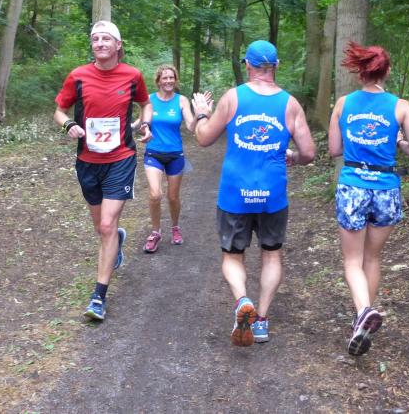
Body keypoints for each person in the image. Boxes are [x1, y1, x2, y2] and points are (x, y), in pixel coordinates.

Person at [192, 40, 316, 346]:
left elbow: (204, 139)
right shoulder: (290, 104)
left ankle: (242, 301)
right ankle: (260, 320)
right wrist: (293, 156)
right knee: (271, 254)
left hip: (235, 193)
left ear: (247, 65)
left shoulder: (233, 98)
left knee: (233, 256)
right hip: (272, 193)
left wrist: (202, 114)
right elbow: (309, 153)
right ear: (276, 66)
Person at [327, 41, 409, 356]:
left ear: (360, 72)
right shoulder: (401, 107)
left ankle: (363, 312)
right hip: (386, 188)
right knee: (371, 258)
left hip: (353, 185)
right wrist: (399, 142)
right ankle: (363, 318)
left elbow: (334, 150)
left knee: (352, 260)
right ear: (387, 71)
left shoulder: (343, 104)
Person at [53, 20, 153, 321]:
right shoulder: (78, 76)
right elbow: (59, 111)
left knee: (108, 225)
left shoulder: (132, 75)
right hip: (87, 161)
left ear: (118, 45)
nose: (100, 43)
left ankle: (98, 297)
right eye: (95, 39)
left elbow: (145, 104)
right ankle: (116, 241)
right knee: (101, 228)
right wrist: (69, 125)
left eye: (106, 39)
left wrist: (146, 124)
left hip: (120, 158)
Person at [133, 65, 210, 253]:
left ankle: (175, 227)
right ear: (158, 81)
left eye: (171, 78)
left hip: (175, 154)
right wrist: (128, 127)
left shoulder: (181, 100)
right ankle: (155, 232)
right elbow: (140, 124)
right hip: (153, 153)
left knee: (173, 197)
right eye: (164, 78)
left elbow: (191, 127)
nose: (168, 81)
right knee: (155, 194)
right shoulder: (149, 100)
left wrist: (201, 113)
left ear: (175, 80)